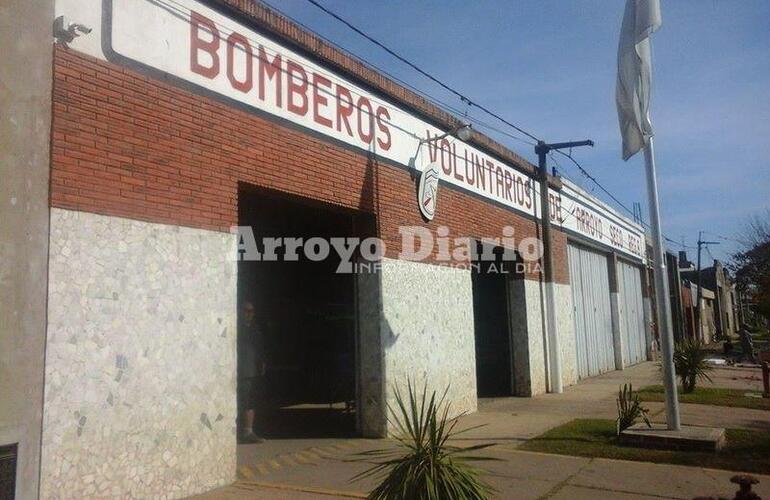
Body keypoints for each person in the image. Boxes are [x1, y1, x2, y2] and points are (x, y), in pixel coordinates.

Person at [237, 300, 266, 444]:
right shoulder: (237, 328)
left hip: (252, 370)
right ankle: (244, 431)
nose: (249, 314)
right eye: (246, 311)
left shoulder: (255, 329)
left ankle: (248, 430)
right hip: (241, 370)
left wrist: (261, 363)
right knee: (244, 401)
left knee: (250, 401)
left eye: (251, 311)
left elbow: (259, 348)